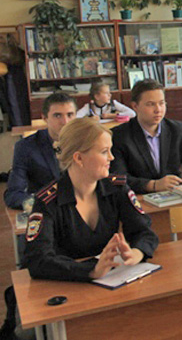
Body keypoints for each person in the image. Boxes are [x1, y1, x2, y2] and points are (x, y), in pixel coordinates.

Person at [23, 118, 158, 282]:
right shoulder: (47, 200)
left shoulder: (117, 188)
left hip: (111, 279)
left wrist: (136, 253)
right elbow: (37, 260)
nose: (112, 157)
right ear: (79, 158)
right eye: (104, 152)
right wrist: (91, 271)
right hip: (66, 283)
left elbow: (144, 232)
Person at [110, 79, 182, 194]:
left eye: (161, 103)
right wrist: (152, 185)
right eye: (150, 104)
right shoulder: (119, 136)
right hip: (137, 198)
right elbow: (115, 178)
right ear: (135, 106)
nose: (158, 110)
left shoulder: (179, 130)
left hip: (174, 195)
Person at [4, 92, 76, 209]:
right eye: (57, 115)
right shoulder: (25, 147)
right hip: (47, 209)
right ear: (44, 118)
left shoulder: (87, 142)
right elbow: (14, 194)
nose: (65, 122)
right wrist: (42, 204)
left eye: (70, 115)